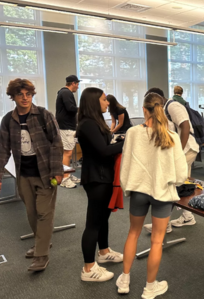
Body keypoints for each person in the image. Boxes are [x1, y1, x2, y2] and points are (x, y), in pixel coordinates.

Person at [116, 92, 187, 298]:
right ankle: (149, 288)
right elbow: (182, 174)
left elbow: (126, 164)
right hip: (163, 193)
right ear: (162, 110)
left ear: (144, 110)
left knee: (133, 234)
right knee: (157, 241)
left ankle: (125, 280)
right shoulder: (172, 136)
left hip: (138, 190)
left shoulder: (132, 133)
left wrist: (127, 186)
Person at [0, 78, 64, 272]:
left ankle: (41, 255)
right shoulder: (8, 120)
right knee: (31, 213)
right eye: (20, 95)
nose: (25, 98)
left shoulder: (43, 115)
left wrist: (58, 171)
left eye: (28, 94)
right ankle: (43, 242)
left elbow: (57, 143)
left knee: (44, 214)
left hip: (46, 173)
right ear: (12, 97)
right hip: (23, 174)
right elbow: (2, 150)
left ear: (32, 95)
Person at [77, 87, 125, 282]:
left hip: (103, 176)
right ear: (94, 102)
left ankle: (103, 252)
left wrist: (118, 140)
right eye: (104, 100)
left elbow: (104, 146)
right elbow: (104, 151)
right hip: (97, 178)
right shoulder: (88, 124)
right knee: (93, 223)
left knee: (103, 218)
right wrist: (127, 141)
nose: (107, 103)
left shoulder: (96, 122)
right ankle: (88, 269)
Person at [142, 88, 199, 233]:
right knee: (177, 184)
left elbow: (185, 127)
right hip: (179, 151)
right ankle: (187, 216)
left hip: (186, 150)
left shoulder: (173, 106)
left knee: (170, 183)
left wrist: (178, 154)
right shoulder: (164, 108)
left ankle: (164, 224)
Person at [55, 75, 80, 189]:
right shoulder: (66, 92)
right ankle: (65, 178)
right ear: (73, 83)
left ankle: (68, 174)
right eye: (77, 84)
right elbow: (71, 108)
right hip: (66, 127)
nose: (78, 87)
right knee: (67, 153)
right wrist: (83, 108)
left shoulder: (65, 92)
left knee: (68, 152)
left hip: (68, 126)